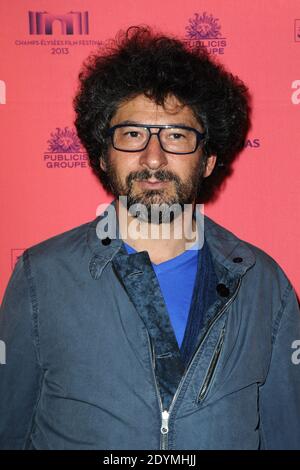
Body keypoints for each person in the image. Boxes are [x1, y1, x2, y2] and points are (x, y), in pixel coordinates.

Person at [0, 26, 299, 451]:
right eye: (133, 134)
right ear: (104, 154)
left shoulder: (264, 284)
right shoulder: (40, 275)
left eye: (177, 136)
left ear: (209, 159)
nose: (153, 157)